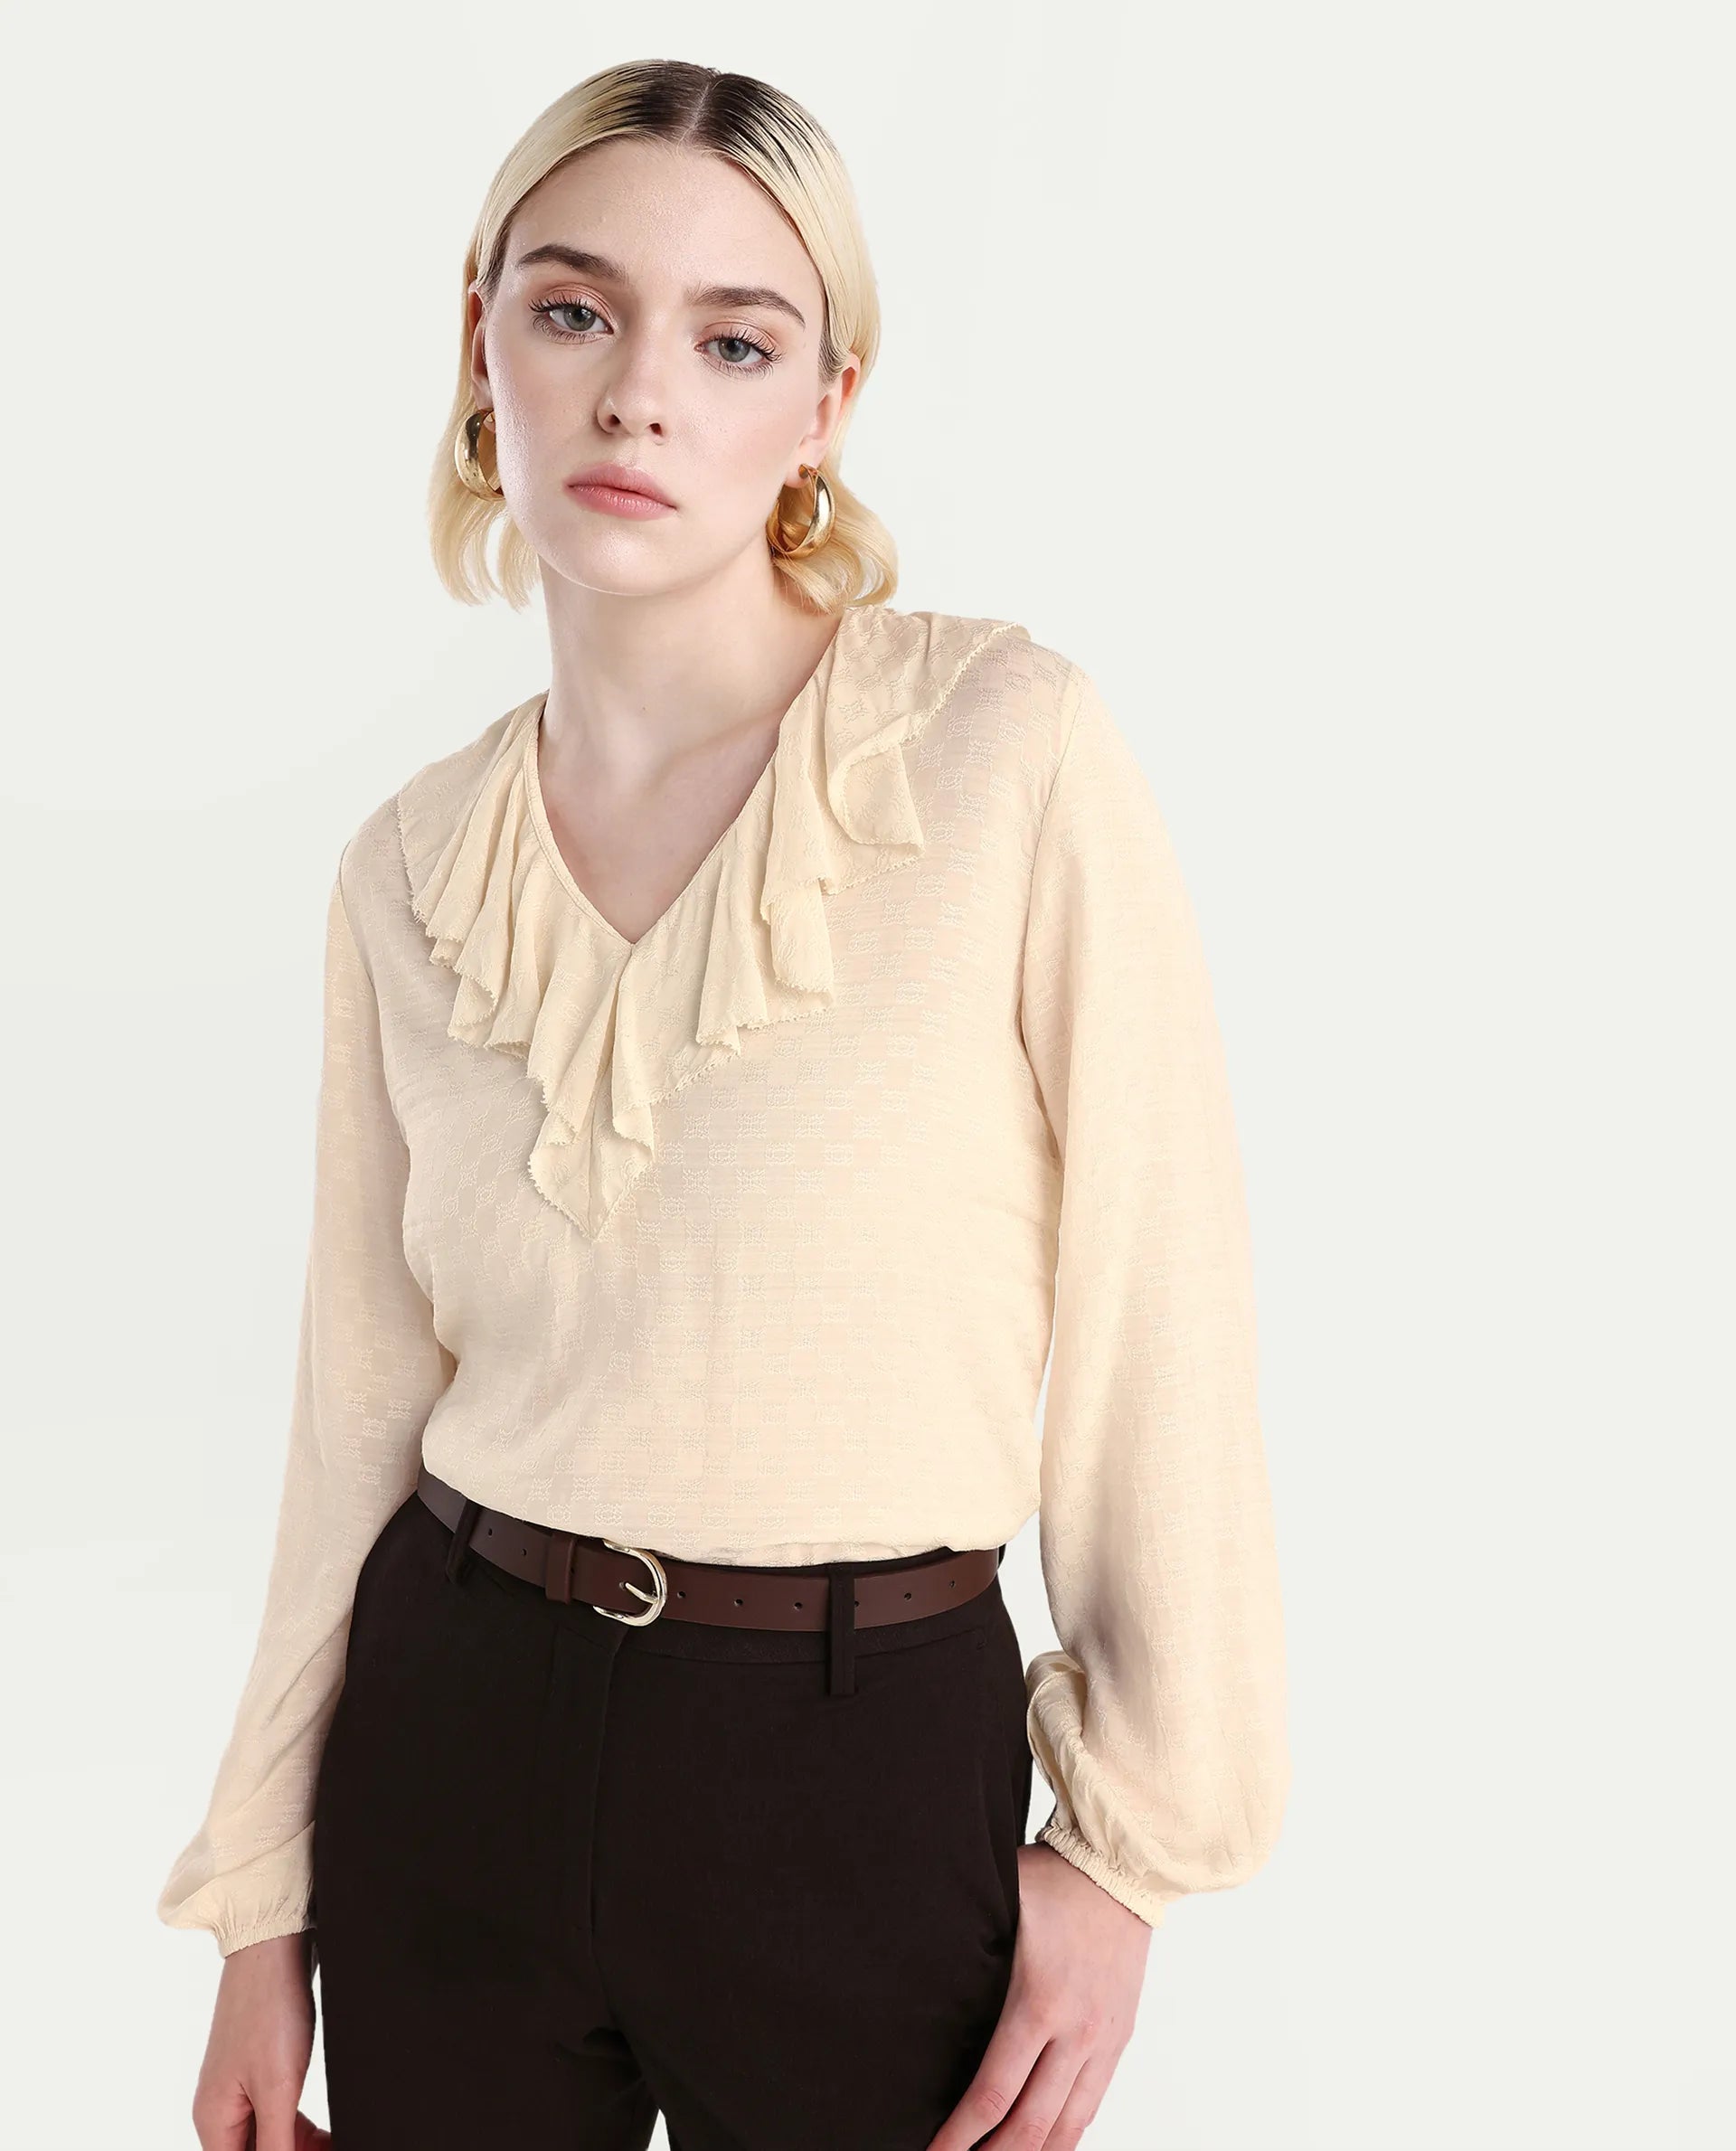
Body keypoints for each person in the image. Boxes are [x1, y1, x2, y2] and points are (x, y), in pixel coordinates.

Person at [157, 57, 1290, 2151]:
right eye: (574, 310)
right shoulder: (408, 869)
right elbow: (352, 1411)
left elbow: (1166, 1297)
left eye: (734, 340)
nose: (638, 396)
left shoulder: (1001, 755)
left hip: (855, 1765)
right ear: (481, 342)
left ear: (828, 404)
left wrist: (1128, 1845)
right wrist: (259, 1897)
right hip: (451, 1748)